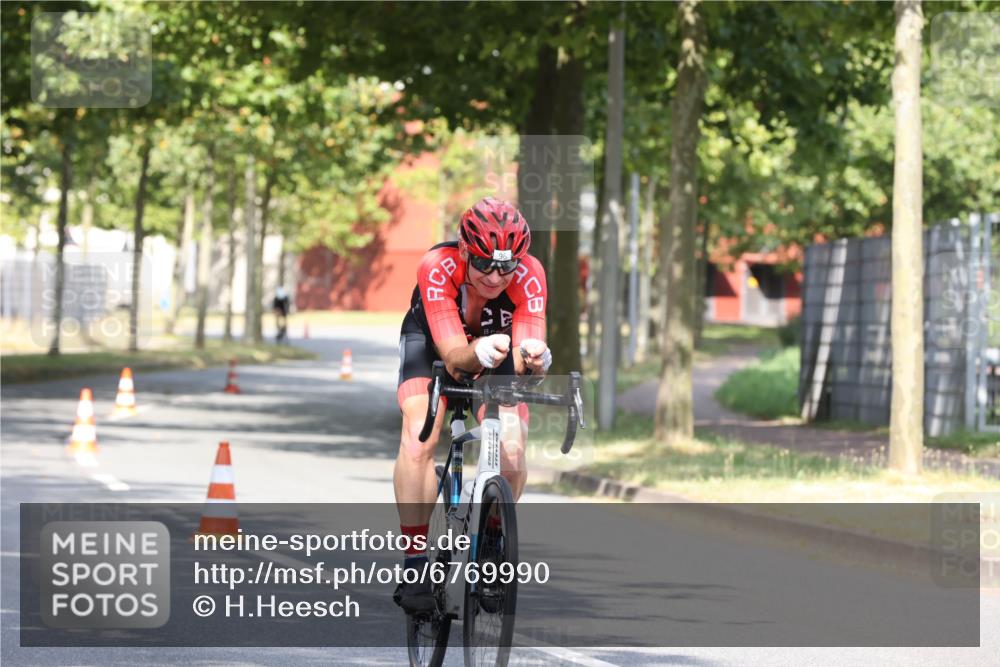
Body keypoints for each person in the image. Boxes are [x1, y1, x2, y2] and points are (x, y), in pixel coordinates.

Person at [393, 197, 552, 613]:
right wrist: (477, 350)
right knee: (420, 434)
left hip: (495, 351)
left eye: (507, 266)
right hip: (432, 344)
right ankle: (414, 562)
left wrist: (535, 361)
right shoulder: (437, 265)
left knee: (512, 447)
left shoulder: (530, 275)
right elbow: (453, 358)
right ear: (465, 250)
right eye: (484, 264)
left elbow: (525, 358)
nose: (496, 277)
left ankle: (494, 543)